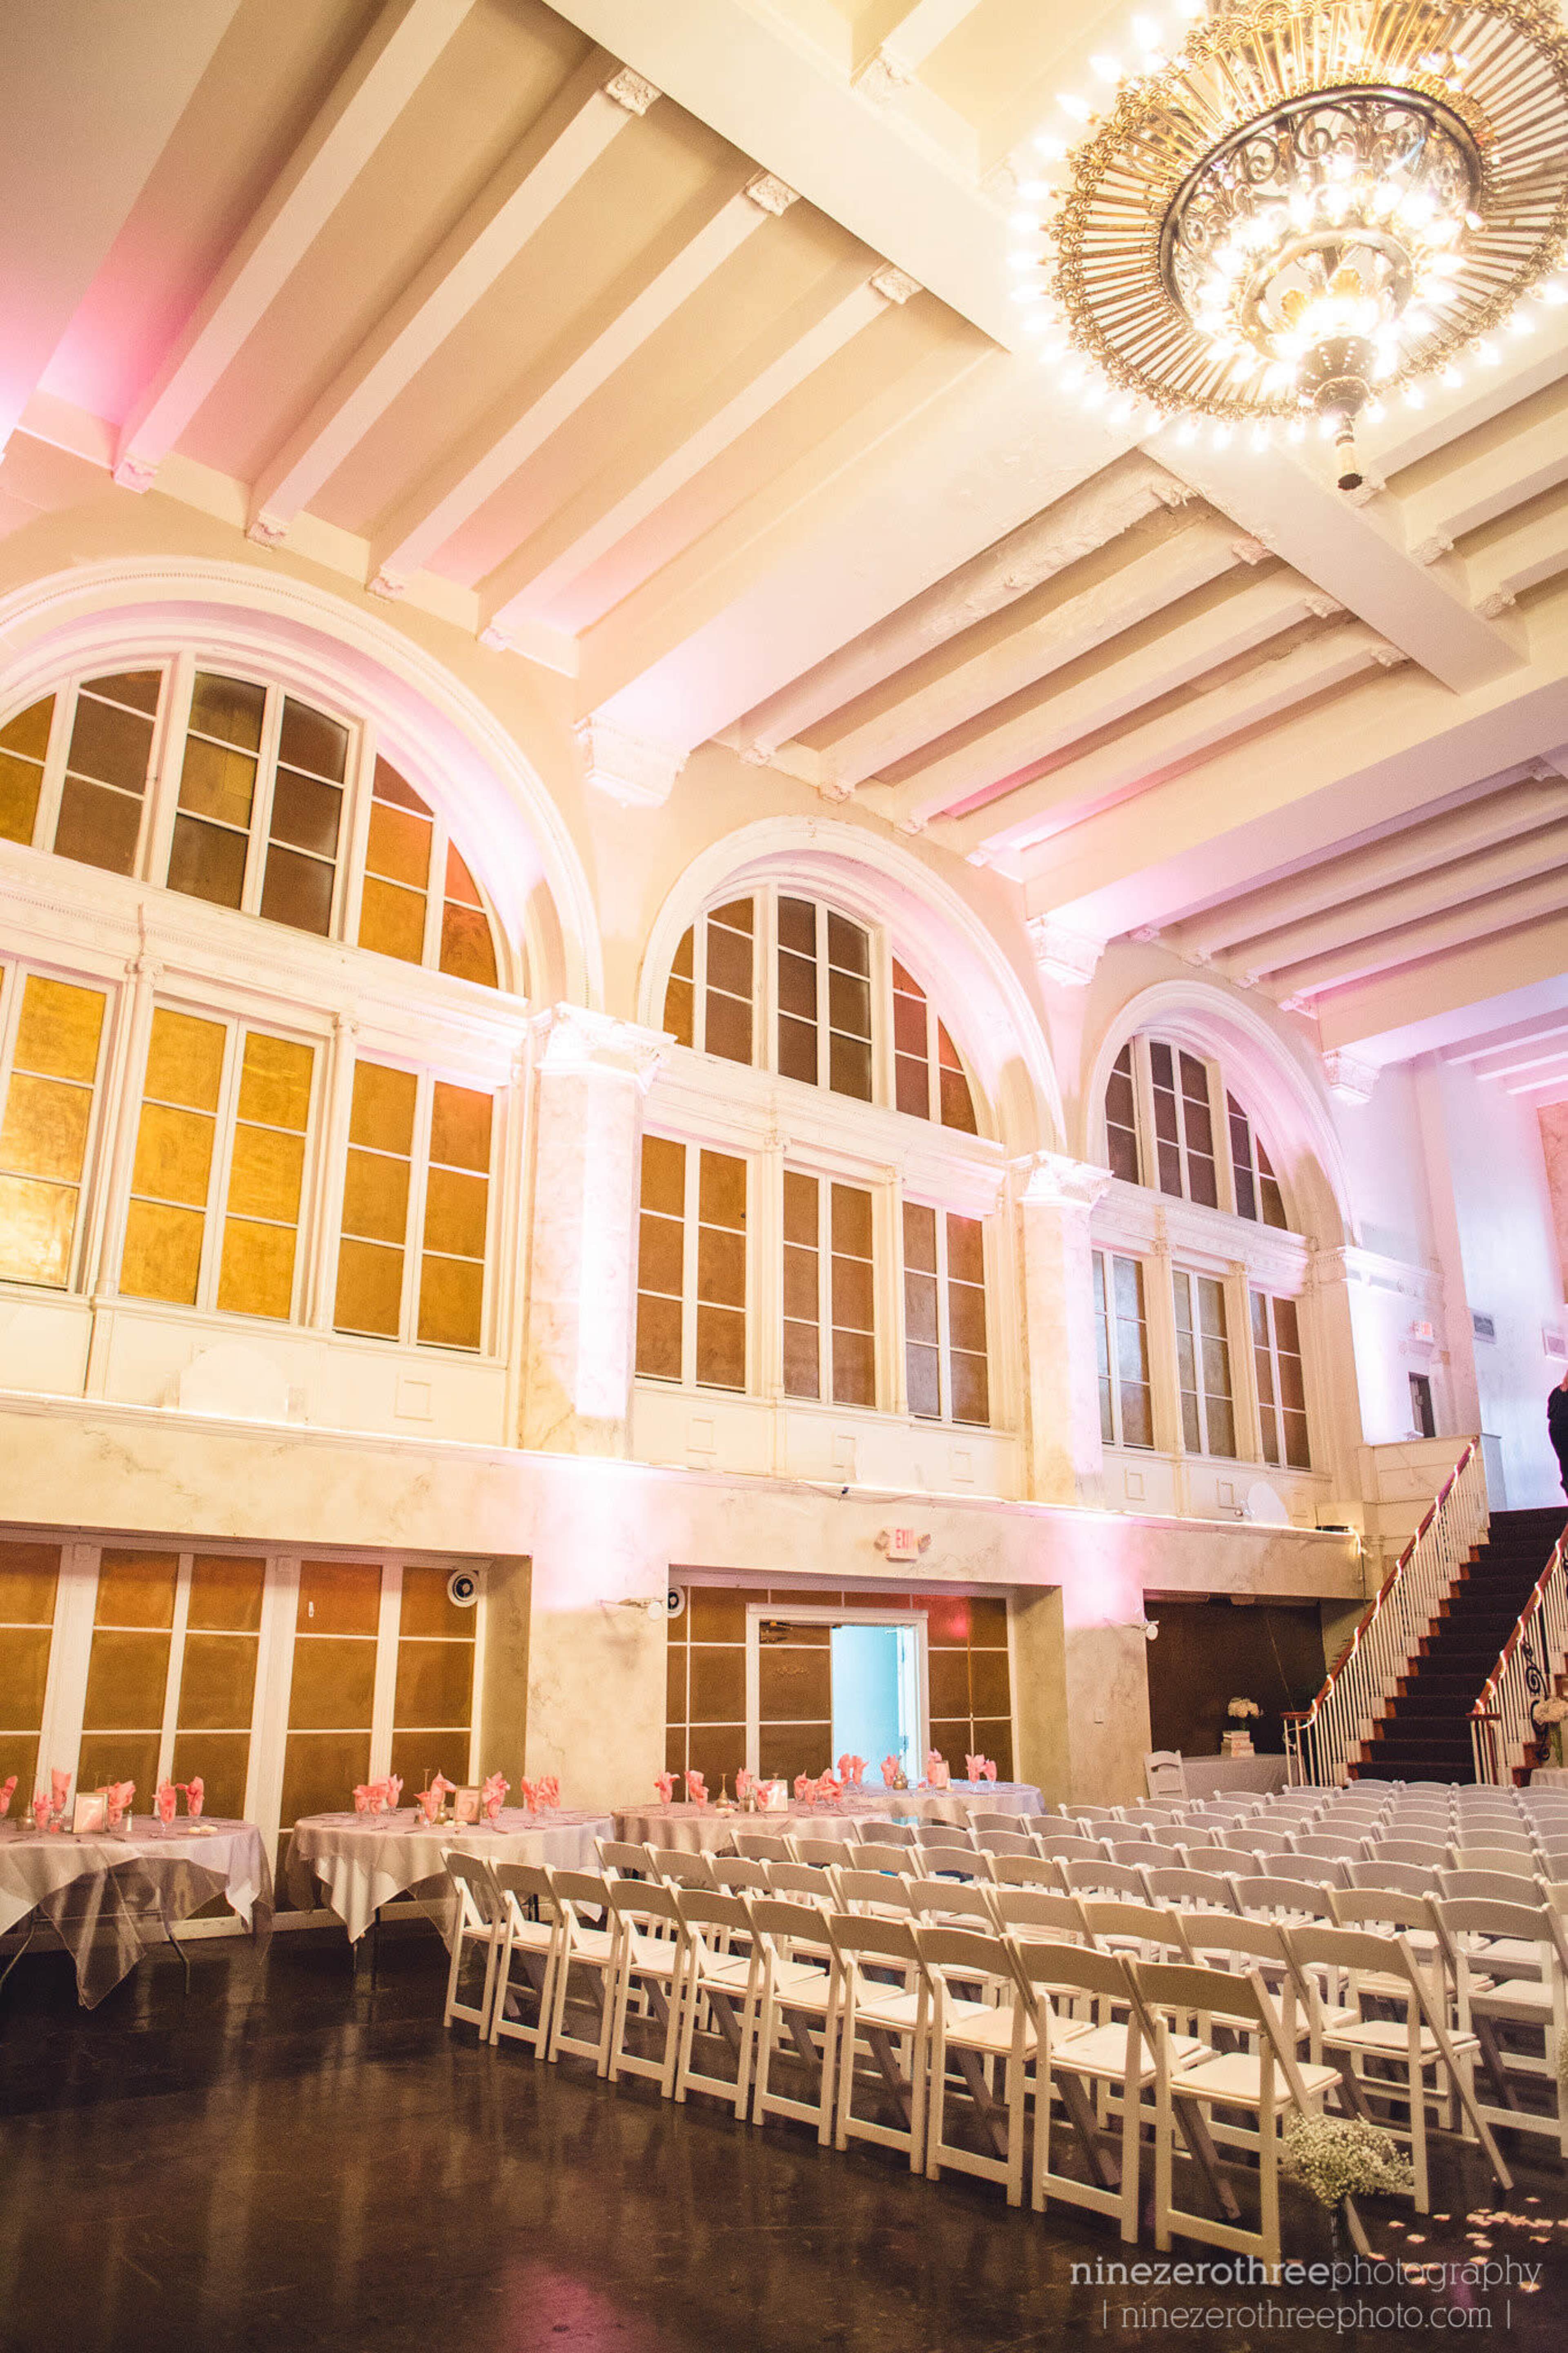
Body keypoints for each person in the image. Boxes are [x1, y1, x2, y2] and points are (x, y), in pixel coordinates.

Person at [1550, 1369, 1568, 1498]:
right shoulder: (1557, 1392)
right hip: (1560, 1432)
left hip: (1557, 1431)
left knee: (1565, 1464)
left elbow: (1550, 1414)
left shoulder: (1557, 1392)